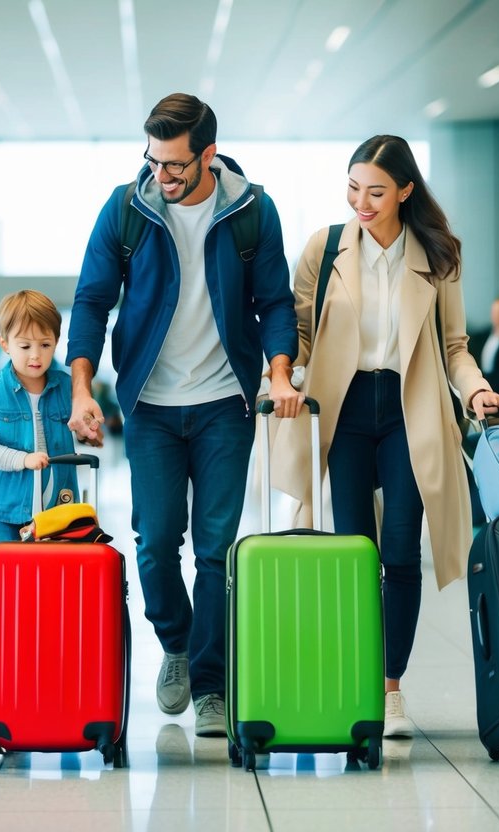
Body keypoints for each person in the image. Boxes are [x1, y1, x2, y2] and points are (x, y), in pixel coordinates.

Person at [66, 93, 301, 738]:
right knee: (155, 546)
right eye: (153, 161)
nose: (162, 176)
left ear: (209, 156)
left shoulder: (252, 211)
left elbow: (276, 302)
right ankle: (175, 639)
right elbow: (90, 302)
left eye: (174, 165)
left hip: (226, 403)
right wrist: (83, 388)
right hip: (151, 409)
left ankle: (208, 681)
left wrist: (279, 373)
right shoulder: (128, 207)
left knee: (216, 549)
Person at [272, 135, 499, 739]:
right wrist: (281, 376)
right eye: (353, 188)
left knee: (402, 549)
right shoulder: (324, 249)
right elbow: (299, 331)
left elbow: (454, 346)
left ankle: (390, 686)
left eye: (376, 191)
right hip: (343, 408)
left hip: (410, 410)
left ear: (405, 190)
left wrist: (475, 390)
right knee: (357, 552)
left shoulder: (437, 255)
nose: (362, 201)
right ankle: (358, 676)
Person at [0, 290, 79, 546]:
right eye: (25, 346)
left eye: (45, 345)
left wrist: (89, 431)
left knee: (53, 576)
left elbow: (81, 427)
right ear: (5, 344)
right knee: (6, 575)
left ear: (56, 341)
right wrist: (24, 459)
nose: (35, 355)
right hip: (3, 506)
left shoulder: (68, 388)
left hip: (57, 503)